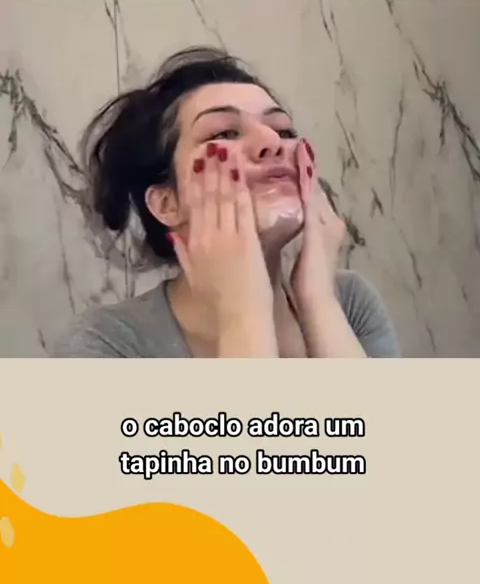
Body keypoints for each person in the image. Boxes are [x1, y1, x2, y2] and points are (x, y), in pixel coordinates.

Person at [51, 46, 400, 359]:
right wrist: (242, 314)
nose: (272, 141)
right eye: (225, 133)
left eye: (283, 130)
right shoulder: (107, 344)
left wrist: (319, 303)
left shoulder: (350, 302)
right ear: (167, 204)